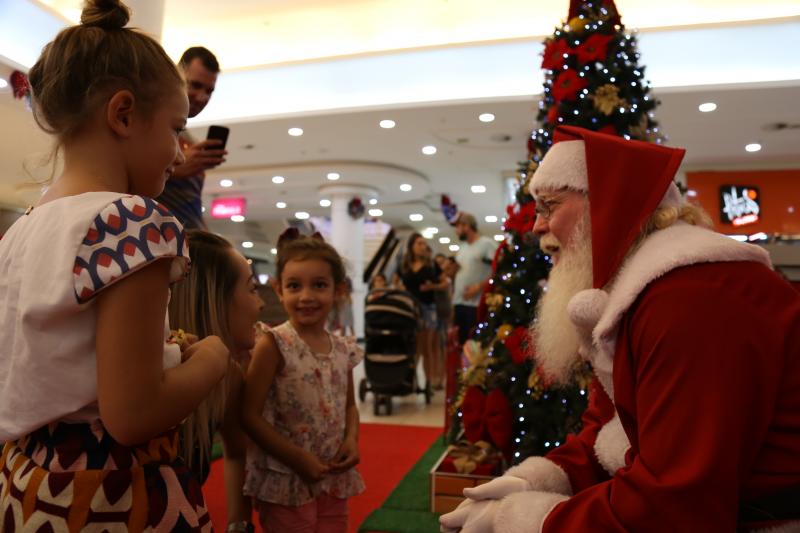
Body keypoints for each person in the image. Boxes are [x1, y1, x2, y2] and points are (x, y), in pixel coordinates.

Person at [440, 125, 800, 532]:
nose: (537, 226)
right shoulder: (647, 294)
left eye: (549, 205)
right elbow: (612, 431)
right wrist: (534, 480)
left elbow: (676, 504)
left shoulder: (691, 299)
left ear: (609, 205)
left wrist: (526, 520)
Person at [0, 1, 230, 529]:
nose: (178, 154)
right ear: (123, 114)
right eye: (175, 129)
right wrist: (213, 358)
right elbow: (134, 414)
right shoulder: (132, 221)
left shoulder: (23, 228)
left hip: (26, 482)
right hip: (109, 493)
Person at [242, 230, 365, 533]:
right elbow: (248, 414)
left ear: (338, 290)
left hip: (332, 477)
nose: (307, 296)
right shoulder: (273, 344)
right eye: (295, 286)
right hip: (286, 478)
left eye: (319, 285)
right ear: (278, 289)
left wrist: (351, 440)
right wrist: (296, 458)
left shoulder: (342, 348)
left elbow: (349, 405)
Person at [169, 230, 265, 533]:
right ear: (213, 300)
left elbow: (237, 451)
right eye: (251, 290)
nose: (261, 304)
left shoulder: (230, 376)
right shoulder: (154, 374)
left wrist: (239, 524)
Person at [156, 46, 226, 229]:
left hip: (187, 239)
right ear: (176, 75)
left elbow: (191, 204)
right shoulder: (152, 125)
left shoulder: (187, 138)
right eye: (195, 85)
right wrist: (176, 169)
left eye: (209, 91)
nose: (202, 97)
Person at [397, 233, 449, 389]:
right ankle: (412, 380)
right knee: (414, 346)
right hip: (410, 308)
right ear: (412, 246)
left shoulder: (431, 265)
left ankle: (430, 380)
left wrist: (432, 287)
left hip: (428, 307)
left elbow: (445, 282)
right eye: (419, 243)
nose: (422, 246)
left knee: (429, 346)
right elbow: (396, 281)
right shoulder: (405, 265)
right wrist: (401, 289)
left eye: (424, 243)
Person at [451, 213, 498, 344]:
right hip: (460, 302)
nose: (456, 231)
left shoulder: (486, 244)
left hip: (476, 304)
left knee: (475, 342)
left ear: (467, 226)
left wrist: (478, 287)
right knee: (461, 342)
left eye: (458, 227)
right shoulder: (463, 248)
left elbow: (498, 270)